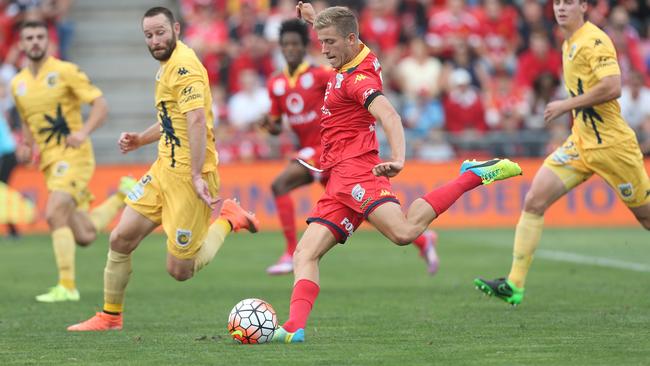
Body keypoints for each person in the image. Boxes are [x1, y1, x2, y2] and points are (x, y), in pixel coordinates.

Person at [272, 3, 522, 343]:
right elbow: (339, 30)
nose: (323, 49)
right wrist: (315, 18)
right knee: (305, 253)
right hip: (337, 178)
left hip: (357, 171)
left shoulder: (357, 80)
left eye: (329, 42)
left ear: (349, 39)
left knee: (404, 232)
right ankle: (294, 328)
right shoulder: (358, 54)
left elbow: (389, 116)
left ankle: (473, 175)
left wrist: (399, 158)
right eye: (321, 41)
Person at [67, 7, 259, 332]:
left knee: (180, 271)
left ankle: (229, 219)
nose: (155, 40)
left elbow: (196, 120)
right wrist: (141, 139)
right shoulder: (166, 66)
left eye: (160, 32)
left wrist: (197, 175)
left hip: (189, 178)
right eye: (149, 35)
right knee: (120, 238)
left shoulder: (184, 68)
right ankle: (110, 316)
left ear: (177, 29)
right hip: (163, 170)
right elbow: (175, 119)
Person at [474, 0, 650, 306]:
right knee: (533, 201)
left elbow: (613, 86)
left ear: (583, 5)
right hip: (580, 143)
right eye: (557, 2)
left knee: (646, 218)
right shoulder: (567, 42)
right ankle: (514, 284)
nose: (561, 7)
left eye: (569, 2)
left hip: (612, 147)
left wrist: (565, 105)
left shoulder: (594, 41)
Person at [264, 18, 439, 276]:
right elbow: (277, 125)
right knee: (364, 208)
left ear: (304, 47)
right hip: (329, 157)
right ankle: (424, 240)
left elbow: (352, 77)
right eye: (285, 45)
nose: (289, 49)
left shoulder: (323, 75)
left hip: (326, 150)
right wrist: (269, 125)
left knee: (280, 184)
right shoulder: (275, 84)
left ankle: (291, 252)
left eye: (294, 44)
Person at [10, 20, 135, 302]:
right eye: (29, 37)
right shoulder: (18, 84)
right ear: (21, 44)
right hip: (50, 162)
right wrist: (26, 145)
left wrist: (83, 131)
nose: (34, 42)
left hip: (75, 155)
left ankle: (67, 286)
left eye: (40, 36)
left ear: (49, 40)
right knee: (85, 234)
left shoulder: (65, 71)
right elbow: (27, 121)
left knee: (54, 212)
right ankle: (122, 196)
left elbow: (101, 105)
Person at [0, 109, 19, 238]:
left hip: (6, 156)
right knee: (3, 192)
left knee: (3, 192)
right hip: (9, 155)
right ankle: (12, 230)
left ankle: (13, 230)